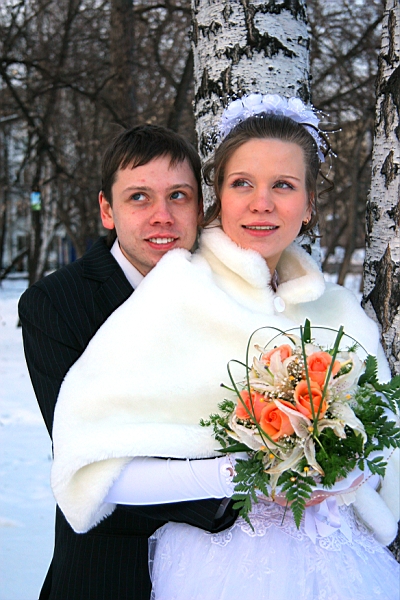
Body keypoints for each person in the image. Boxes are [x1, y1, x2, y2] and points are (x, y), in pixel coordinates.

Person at [47, 97, 399, 599]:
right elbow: (91, 466)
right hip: (219, 570)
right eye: (242, 184)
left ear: (309, 204)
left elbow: (385, 449)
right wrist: (244, 474)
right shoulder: (177, 293)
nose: (262, 203)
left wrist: (345, 470)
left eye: (284, 185)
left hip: (339, 565)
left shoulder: (338, 310)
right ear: (218, 199)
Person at [18, 124, 239, 600]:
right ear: (107, 210)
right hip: (113, 570)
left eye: (178, 196)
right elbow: (88, 466)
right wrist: (234, 495)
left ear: (200, 207)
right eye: (139, 197)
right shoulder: (55, 304)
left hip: (228, 572)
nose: (162, 216)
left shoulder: (228, 288)